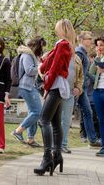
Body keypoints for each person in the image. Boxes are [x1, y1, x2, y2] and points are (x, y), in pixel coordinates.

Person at [34, 19, 75, 176]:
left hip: (55, 84)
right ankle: (57, 155)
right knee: (55, 123)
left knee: (43, 120)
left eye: (57, 26)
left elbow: (56, 67)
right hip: (58, 84)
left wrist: (46, 85)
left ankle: (47, 158)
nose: (55, 27)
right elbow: (51, 64)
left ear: (62, 28)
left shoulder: (62, 44)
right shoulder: (63, 44)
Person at [11, 37, 45, 147]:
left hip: (30, 86)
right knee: (37, 112)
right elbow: (29, 70)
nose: (42, 50)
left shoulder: (30, 55)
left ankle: (30, 139)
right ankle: (18, 131)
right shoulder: (27, 55)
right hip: (27, 86)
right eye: (41, 48)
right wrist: (40, 67)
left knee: (33, 112)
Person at [75, 31, 101, 147]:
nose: (91, 41)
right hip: (78, 89)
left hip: (82, 89)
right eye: (89, 39)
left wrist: (93, 77)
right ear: (81, 40)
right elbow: (78, 71)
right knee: (64, 113)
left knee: (88, 112)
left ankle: (92, 139)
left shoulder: (84, 53)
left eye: (91, 38)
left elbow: (85, 72)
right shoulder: (79, 53)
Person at [59, 44, 84, 154]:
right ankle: (54, 144)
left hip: (70, 93)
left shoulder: (77, 59)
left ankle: (63, 144)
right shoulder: (58, 54)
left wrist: (78, 88)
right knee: (56, 119)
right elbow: (43, 68)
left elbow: (81, 76)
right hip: (57, 92)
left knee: (67, 120)